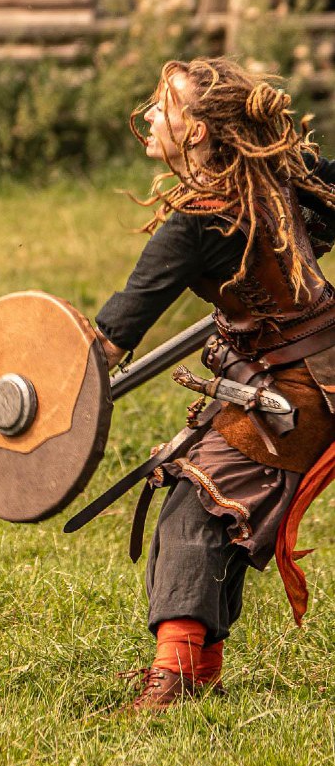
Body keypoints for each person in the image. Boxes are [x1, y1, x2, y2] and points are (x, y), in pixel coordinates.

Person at [94, 56, 335, 710]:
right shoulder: (275, 179)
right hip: (302, 381)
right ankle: (197, 670)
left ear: (197, 131)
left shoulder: (198, 221)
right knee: (212, 510)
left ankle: (173, 680)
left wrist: (47, 390)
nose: (150, 114)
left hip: (297, 393)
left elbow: (113, 335)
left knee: (196, 507)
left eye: (164, 105)